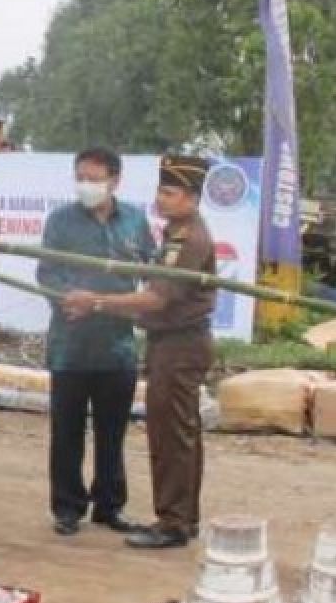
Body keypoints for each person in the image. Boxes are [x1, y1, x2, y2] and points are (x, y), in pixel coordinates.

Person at [63, 154, 215, 549]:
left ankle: (173, 522)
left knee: (170, 436)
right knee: (181, 433)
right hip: (174, 343)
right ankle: (184, 516)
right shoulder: (175, 232)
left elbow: (155, 300)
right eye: (159, 191)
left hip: (180, 346)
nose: (160, 200)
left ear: (192, 198)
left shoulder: (188, 239)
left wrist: (96, 301)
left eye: (169, 193)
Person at [36, 147, 155, 537]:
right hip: (70, 345)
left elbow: (150, 271)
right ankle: (68, 507)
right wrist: (68, 299)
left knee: (112, 433)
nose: (86, 185)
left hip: (117, 347)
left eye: (94, 178)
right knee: (67, 431)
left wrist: (137, 307)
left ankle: (109, 506)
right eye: (80, 178)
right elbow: (46, 273)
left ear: (115, 180)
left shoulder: (135, 221)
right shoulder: (61, 221)